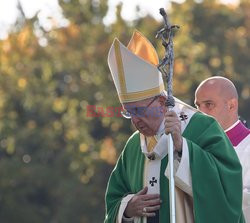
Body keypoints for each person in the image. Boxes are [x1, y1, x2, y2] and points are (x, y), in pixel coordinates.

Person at [104, 30, 245, 223]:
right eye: (129, 112)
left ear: (162, 102)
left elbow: (228, 187)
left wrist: (182, 147)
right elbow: (114, 199)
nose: (135, 121)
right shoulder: (133, 146)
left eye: (139, 110)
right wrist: (127, 208)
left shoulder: (202, 127)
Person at [195, 76, 250, 222]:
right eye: (197, 106)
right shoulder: (193, 149)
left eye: (209, 104)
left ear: (232, 105)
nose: (200, 113)